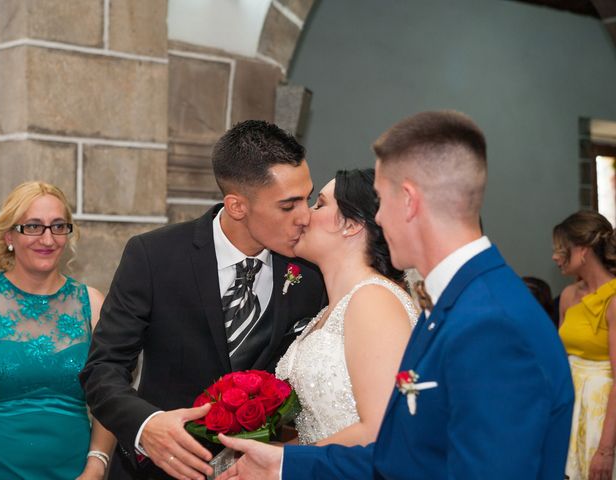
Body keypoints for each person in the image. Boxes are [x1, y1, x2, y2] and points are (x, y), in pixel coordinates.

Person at [214, 110, 574, 479]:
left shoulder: (492, 323)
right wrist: (284, 465)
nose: (380, 220)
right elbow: (410, 457)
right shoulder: (454, 305)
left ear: (409, 201)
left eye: (382, 201)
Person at [79, 120, 327, 480]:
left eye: (307, 197)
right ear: (237, 205)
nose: (305, 217)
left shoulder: (311, 271)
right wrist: (146, 425)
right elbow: (102, 369)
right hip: (154, 471)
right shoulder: (153, 255)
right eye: (288, 206)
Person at [0, 181, 115, 480]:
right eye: (34, 227)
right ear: (9, 235)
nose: (48, 239)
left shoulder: (91, 303)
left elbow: (112, 393)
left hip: (74, 473)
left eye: (58, 226)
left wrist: (96, 466)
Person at [275, 168, 418, 446]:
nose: (305, 216)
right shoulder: (334, 307)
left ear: (352, 224)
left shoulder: (374, 300)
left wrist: (281, 464)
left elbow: (381, 430)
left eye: (320, 204)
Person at [553, 210, 616, 480]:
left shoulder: (613, 300)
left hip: (603, 413)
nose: (555, 256)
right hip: (571, 406)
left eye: (561, 249)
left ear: (584, 250)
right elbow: (557, 359)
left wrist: (605, 450)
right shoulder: (568, 295)